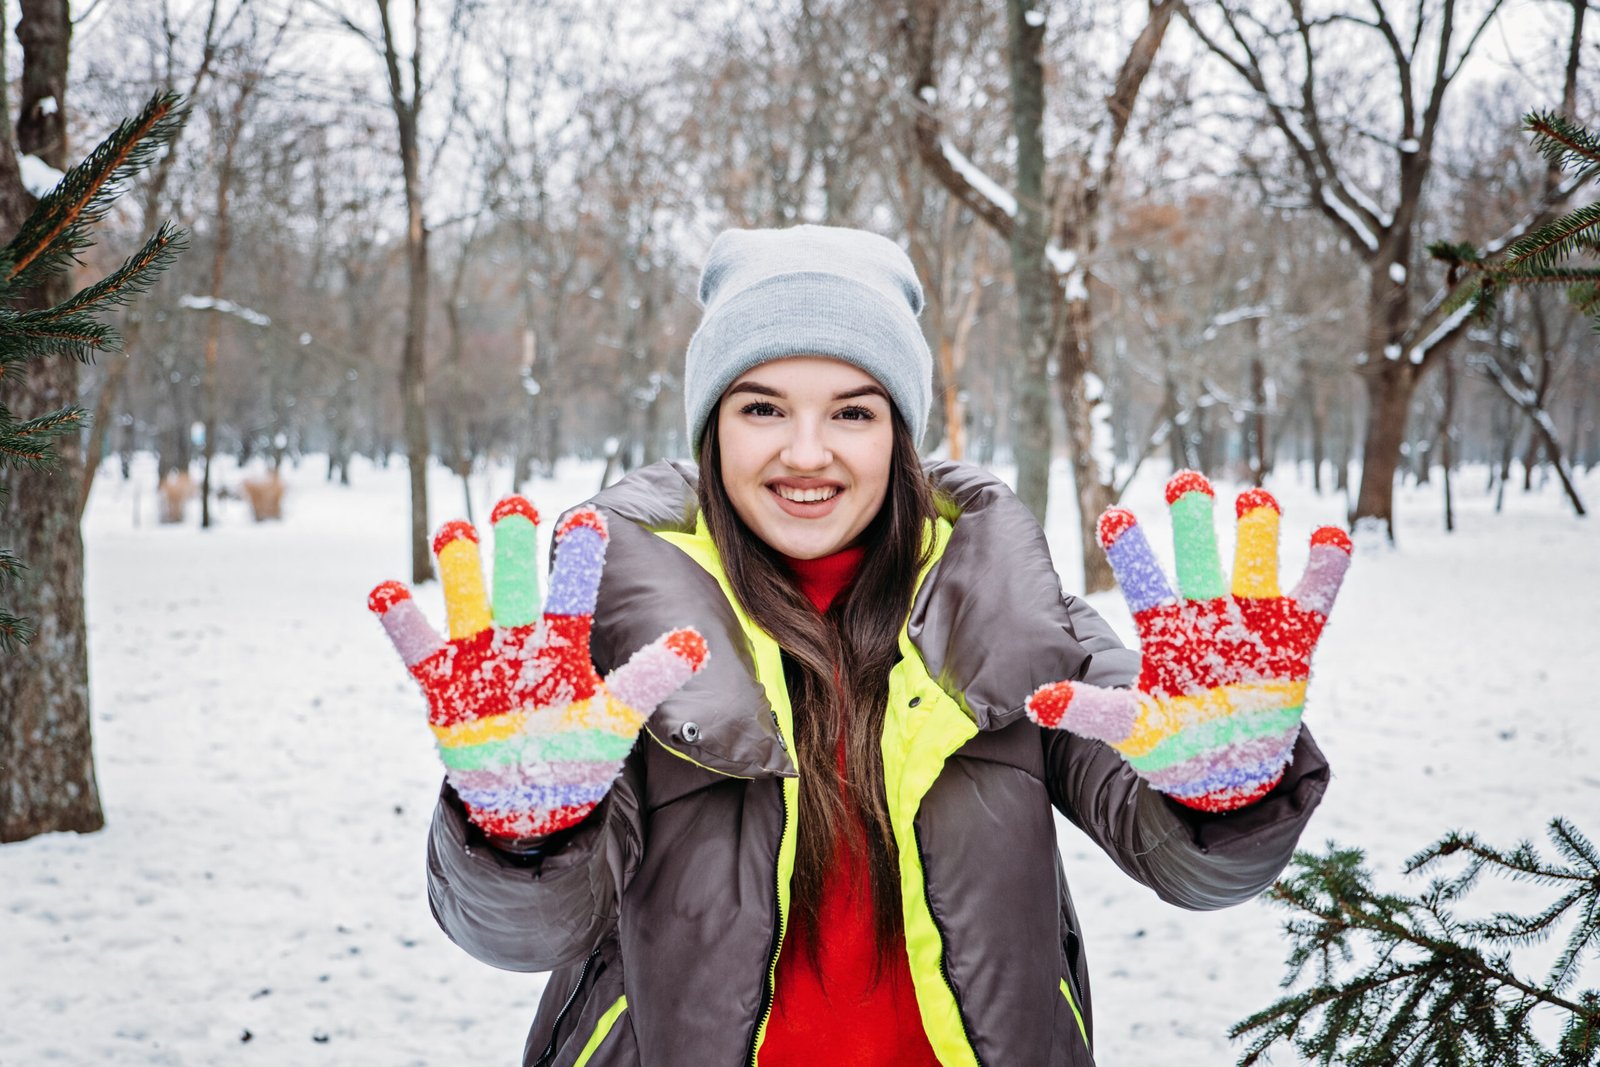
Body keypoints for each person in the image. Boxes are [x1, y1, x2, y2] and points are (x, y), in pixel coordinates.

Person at [369, 225, 1345, 1066]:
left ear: (900, 434)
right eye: (761, 406)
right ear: (711, 428)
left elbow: (1191, 866)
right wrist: (519, 835)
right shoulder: (610, 647)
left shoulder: (1011, 615)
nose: (805, 451)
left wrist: (1233, 794)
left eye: (851, 409)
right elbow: (526, 931)